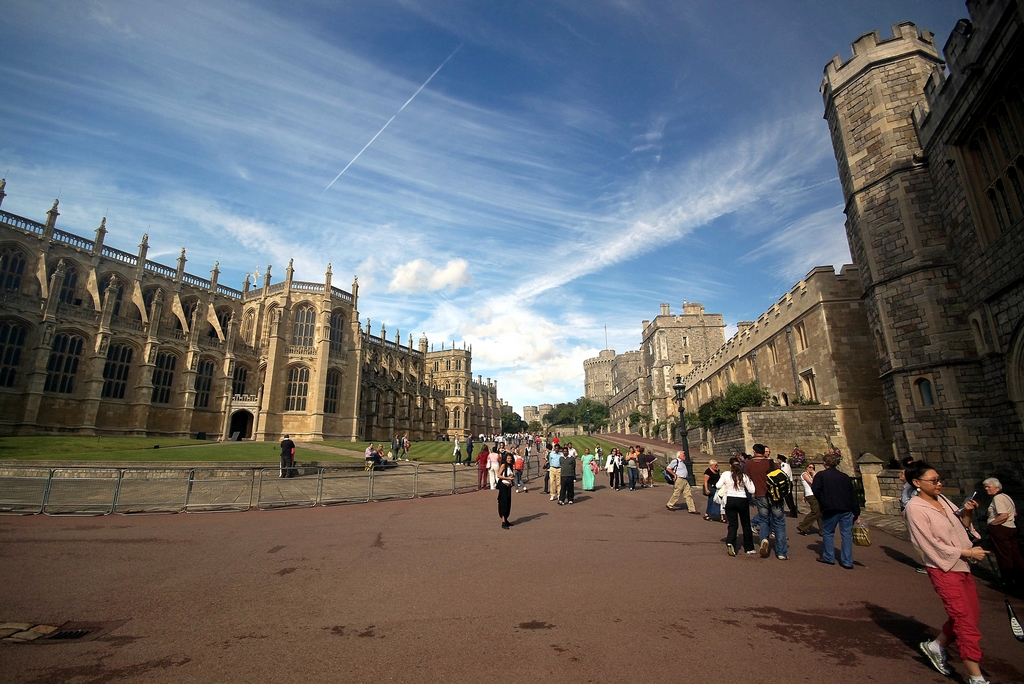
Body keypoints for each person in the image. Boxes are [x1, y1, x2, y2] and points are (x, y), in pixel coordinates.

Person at [904, 462, 990, 683]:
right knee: (964, 621)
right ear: (917, 483)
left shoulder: (942, 500)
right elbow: (928, 544)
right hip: (944, 568)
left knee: (970, 615)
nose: (939, 484)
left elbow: (960, 526)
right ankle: (976, 677)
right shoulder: (915, 508)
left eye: (939, 479)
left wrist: (967, 512)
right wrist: (967, 552)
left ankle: (936, 646)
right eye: (933, 481)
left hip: (961, 566)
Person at [811, 452, 861, 569]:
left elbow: (815, 490)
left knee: (828, 533)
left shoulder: (821, 475)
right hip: (846, 509)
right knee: (846, 535)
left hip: (830, 508)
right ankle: (847, 561)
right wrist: (856, 512)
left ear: (824, 463)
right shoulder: (844, 477)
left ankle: (829, 557)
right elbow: (852, 495)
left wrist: (823, 500)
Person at [983, 477, 1024, 595]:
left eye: (988, 487)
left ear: (996, 487)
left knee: (1004, 555)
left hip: (1001, 529)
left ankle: (1008, 582)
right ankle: (1020, 580)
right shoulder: (1007, 497)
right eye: (985, 487)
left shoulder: (998, 498)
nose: (986, 489)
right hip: (1011, 528)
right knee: (1015, 555)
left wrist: (992, 524)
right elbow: (1014, 513)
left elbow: (1003, 515)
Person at [720, 457, 755, 556]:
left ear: (730, 465)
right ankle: (749, 548)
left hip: (730, 500)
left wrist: (726, 485)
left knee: (733, 524)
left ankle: (730, 542)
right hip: (742, 500)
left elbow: (718, 485)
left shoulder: (726, 474)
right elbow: (752, 490)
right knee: (746, 524)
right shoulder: (743, 476)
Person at [745, 444, 773, 557]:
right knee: (778, 520)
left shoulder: (749, 463)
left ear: (755, 452)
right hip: (773, 494)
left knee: (764, 518)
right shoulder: (771, 463)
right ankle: (782, 551)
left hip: (760, 494)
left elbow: (747, 479)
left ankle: (764, 539)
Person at [797, 464, 821, 536]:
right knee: (815, 511)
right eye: (810, 467)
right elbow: (812, 482)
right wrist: (815, 474)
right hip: (811, 495)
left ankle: (822, 530)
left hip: (814, 494)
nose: (811, 469)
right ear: (806, 467)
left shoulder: (810, 475)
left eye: (813, 468)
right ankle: (803, 526)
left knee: (820, 512)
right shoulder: (804, 474)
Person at [497, 453, 516, 529]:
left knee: (508, 503)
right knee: (503, 503)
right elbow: (499, 475)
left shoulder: (510, 466)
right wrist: (508, 478)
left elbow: (512, 475)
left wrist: (513, 475)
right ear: (505, 459)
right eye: (508, 458)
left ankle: (506, 519)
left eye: (510, 458)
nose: (509, 459)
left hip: (509, 487)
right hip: (503, 486)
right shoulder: (503, 465)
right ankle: (503, 521)